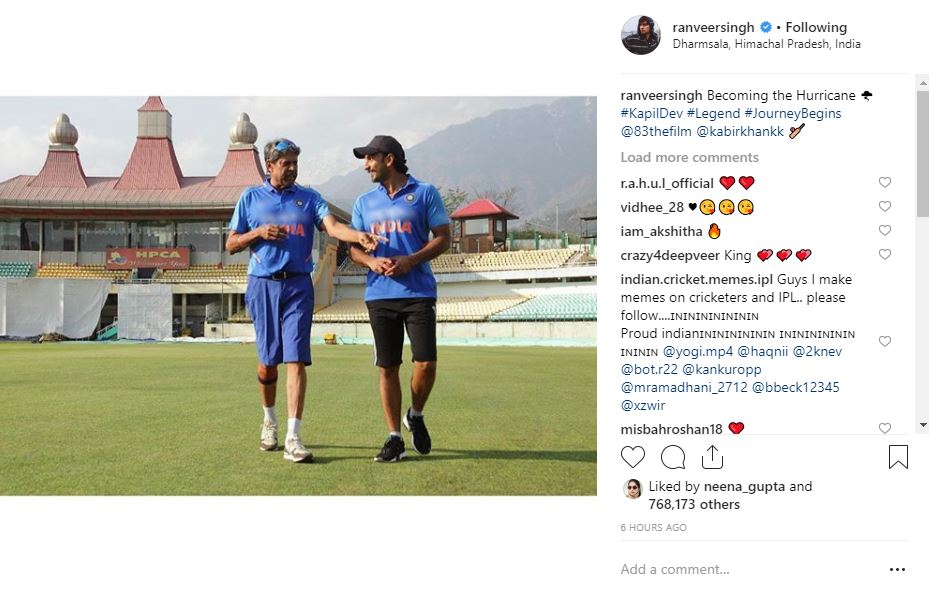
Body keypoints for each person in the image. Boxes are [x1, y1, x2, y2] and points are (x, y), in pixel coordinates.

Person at [227, 138, 383, 463]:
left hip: (299, 285)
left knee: (296, 359)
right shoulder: (250, 198)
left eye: (295, 162)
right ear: (270, 166)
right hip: (262, 285)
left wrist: (358, 235)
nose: (292, 168)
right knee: (268, 362)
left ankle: (293, 437)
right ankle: (269, 420)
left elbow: (333, 227)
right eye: (286, 163)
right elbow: (231, 243)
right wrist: (258, 233)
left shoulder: (309, 198)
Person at [348, 135, 451, 462]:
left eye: (370, 158)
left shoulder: (425, 193)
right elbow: (352, 249)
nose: (366, 165)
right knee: (388, 368)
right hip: (379, 295)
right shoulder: (364, 202)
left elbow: (444, 238)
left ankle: (415, 414)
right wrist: (370, 261)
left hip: (419, 292)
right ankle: (394, 438)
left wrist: (411, 260)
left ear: (389, 159)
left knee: (426, 363)